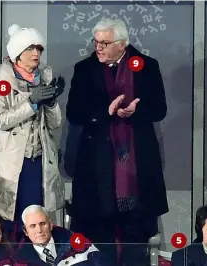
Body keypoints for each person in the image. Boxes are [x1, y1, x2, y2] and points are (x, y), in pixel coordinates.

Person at [65, 18, 168, 266]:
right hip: (97, 170)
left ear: (122, 44)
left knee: (135, 243)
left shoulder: (147, 67)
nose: (98, 47)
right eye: (96, 42)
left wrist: (135, 112)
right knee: (100, 244)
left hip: (136, 171)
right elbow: (73, 114)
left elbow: (159, 110)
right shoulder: (84, 68)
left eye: (105, 43)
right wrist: (105, 112)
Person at [0, 24, 65, 241]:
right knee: (8, 219)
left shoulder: (43, 78)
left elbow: (54, 124)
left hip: (38, 160)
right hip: (11, 162)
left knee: (35, 219)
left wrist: (51, 102)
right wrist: (31, 103)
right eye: (30, 49)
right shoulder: (1, 81)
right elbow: (0, 121)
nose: (36, 54)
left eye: (39, 49)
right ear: (16, 54)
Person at [12, 205, 106, 266]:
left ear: (50, 224)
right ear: (25, 231)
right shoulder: (18, 260)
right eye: (32, 226)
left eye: (42, 224)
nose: (39, 230)